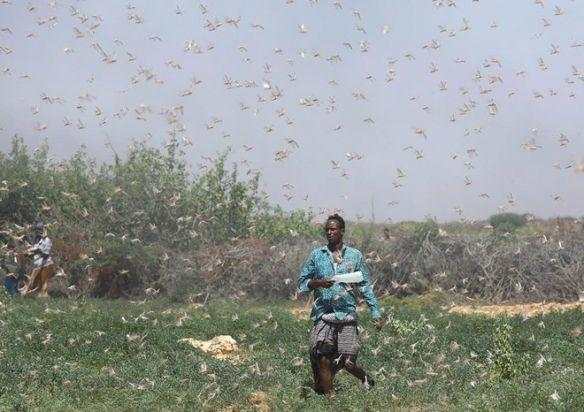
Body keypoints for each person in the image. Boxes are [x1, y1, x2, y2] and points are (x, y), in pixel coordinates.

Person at [297, 213, 383, 395]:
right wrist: (319, 283)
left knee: (347, 362)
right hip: (324, 315)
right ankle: (331, 399)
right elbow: (302, 283)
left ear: (341, 231)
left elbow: (365, 285)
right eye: (327, 229)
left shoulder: (354, 256)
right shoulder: (317, 255)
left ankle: (365, 377)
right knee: (321, 356)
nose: (329, 232)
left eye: (333, 229)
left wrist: (375, 312)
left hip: (346, 315)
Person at [20, 221, 55, 297]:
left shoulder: (47, 240)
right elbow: (34, 249)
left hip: (45, 264)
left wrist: (36, 251)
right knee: (37, 281)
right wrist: (29, 252)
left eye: (39, 230)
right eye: (37, 230)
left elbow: (45, 254)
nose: (38, 232)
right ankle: (34, 294)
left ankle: (27, 293)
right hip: (38, 263)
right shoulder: (39, 240)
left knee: (39, 281)